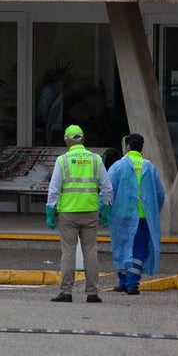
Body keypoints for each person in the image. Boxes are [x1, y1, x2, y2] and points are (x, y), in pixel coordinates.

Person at [46, 124, 113, 303]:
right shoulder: (96, 159)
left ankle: (66, 291)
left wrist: (50, 210)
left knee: (68, 252)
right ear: (83, 139)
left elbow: (54, 189)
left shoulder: (63, 160)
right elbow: (107, 187)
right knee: (90, 251)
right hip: (90, 211)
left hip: (68, 212)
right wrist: (106, 208)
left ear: (67, 140)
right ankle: (92, 292)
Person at [108, 133, 165, 295]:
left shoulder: (118, 166)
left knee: (121, 246)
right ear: (141, 148)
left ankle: (124, 281)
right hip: (143, 216)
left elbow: (108, 190)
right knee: (139, 250)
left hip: (122, 215)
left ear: (127, 147)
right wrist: (154, 211)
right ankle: (132, 283)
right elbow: (160, 194)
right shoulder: (149, 167)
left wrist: (104, 209)